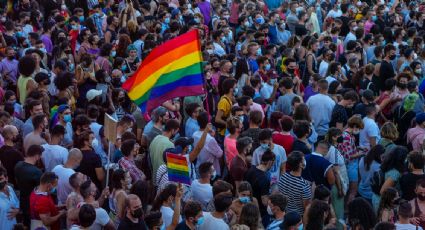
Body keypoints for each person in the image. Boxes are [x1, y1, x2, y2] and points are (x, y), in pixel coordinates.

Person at [372, 146, 408, 213]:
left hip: (377, 199)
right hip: (382, 203)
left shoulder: (388, 164)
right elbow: (383, 191)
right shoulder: (395, 173)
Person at [14, 144, 43, 227]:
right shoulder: (37, 172)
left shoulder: (18, 165)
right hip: (32, 204)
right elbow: (40, 191)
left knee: (26, 223)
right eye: (40, 156)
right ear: (37, 156)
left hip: (22, 200)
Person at [245, 149, 274, 224]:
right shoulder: (264, 179)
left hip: (247, 204)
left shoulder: (251, 169)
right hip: (260, 211)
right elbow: (264, 201)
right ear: (270, 162)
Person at [278, 151, 311, 216]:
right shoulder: (304, 185)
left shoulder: (283, 177)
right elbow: (306, 207)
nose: (305, 161)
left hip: (285, 214)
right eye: (303, 159)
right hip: (297, 218)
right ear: (300, 164)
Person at [192, 112, 223, 177]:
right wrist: (213, 137)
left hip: (199, 167)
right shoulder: (210, 139)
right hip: (209, 172)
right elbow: (220, 154)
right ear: (208, 124)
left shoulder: (194, 135)